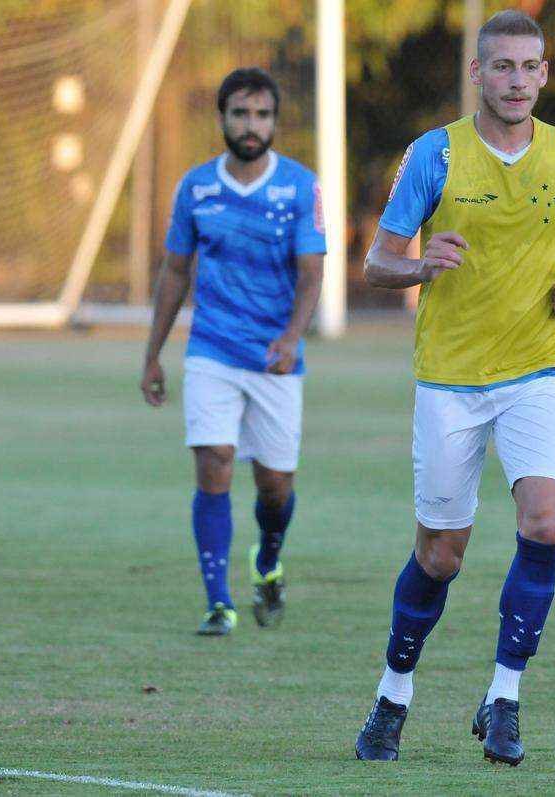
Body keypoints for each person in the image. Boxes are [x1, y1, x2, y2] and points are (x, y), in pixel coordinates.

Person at [352, 10, 555, 765]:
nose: (516, 81)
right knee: (440, 555)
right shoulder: (436, 154)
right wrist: (420, 266)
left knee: (546, 523)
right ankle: (393, 695)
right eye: (502, 66)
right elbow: (375, 264)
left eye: (529, 67)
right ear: (478, 72)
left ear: (544, 74)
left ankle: (505, 697)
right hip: (450, 381)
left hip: (536, 370)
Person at [140, 67, 325, 636]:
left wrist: (291, 337)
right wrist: (152, 353)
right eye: (241, 113)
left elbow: (311, 272)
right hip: (212, 349)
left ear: (275, 122)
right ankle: (218, 603)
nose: (251, 125)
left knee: (275, 485)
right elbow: (176, 271)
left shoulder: (300, 187)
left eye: (262, 115)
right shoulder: (196, 187)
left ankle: (267, 558)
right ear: (222, 117)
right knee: (214, 459)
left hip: (274, 357)